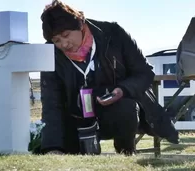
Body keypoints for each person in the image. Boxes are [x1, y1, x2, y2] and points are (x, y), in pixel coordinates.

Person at [39, 0, 179, 156]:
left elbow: (144, 73)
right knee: (70, 156)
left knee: (126, 107)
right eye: (56, 40)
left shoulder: (113, 34)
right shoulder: (49, 54)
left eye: (66, 35)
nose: (64, 44)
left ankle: (126, 153)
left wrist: (122, 90)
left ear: (79, 24)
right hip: (75, 118)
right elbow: (51, 103)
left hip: (118, 112)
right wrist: (53, 148)